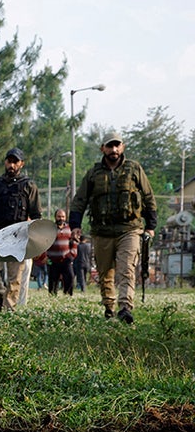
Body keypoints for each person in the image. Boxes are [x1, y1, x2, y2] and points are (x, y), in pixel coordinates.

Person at [68, 133, 156, 323]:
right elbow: (79, 201)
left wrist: (151, 226)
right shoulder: (93, 173)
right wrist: (75, 225)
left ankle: (125, 307)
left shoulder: (134, 169)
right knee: (105, 272)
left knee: (126, 269)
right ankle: (109, 307)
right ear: (103, 149)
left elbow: (148, 197)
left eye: (117, 146)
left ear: (122, 147)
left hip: (130, 229)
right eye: (110, 146)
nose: (114, 150)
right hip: (102, 231)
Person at [0, 147, 41, 311]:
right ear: (5, 162)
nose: (11, 165)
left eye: (15, 162)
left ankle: (7, 309)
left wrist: (35, 238)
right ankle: (2, 295)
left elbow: (36, 215)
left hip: (18, 236)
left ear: (21, 164)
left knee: (15, 278)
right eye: (9, 161)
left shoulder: (28, 185)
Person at [45, 209, 78, 296]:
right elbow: (45, 243)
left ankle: (67, 295)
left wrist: (72, 255)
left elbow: (74, 242)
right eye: (59, 216)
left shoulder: (69, 229)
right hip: (53, 260)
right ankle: (52, 296)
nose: (61, 218)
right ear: (55, 217)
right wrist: (45, 256)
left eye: (63, 216)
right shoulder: (50, 229)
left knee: (70, 277)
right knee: (53, 280)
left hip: (66, 259)